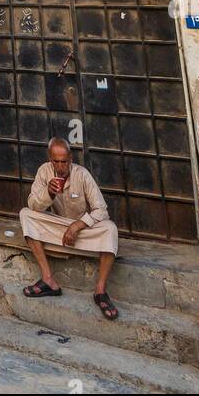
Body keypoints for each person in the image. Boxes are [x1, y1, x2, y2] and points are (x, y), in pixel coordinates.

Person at [19, 136, 120, 320]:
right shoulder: (44, 171)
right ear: (50, 159)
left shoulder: (82, 174)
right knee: (25, 214)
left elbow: (102, 210)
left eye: (64, 162)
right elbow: (33, 205)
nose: (60, 166)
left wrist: (77, 226)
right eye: (55, 161)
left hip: (82, 231)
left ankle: (100, 291)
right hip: (58, 228)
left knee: (110, 229)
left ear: (70, 159)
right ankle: (48, 280)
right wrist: (48, 192)